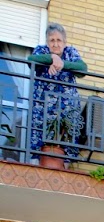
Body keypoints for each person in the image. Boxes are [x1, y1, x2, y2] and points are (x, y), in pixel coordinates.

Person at [27, 22, 86, 165]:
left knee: (67, 136)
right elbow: (30, 60)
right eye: (52, 40)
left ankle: (63, 165)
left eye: (59, 40)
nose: (55, 44)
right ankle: (42, 163)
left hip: (66, 107)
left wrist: (63, 63)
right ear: (47, 42)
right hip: (44, 107)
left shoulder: (70, 52)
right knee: (42, 136)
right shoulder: (41, 51)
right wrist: (52, 58)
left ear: (64, 42)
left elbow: (83, 69)